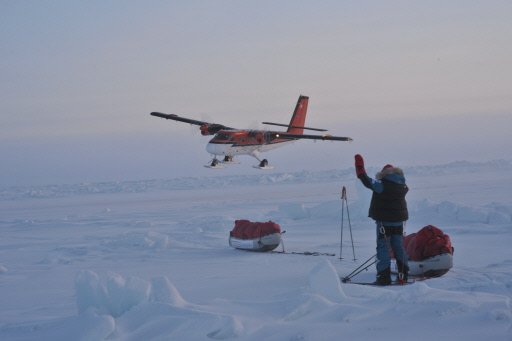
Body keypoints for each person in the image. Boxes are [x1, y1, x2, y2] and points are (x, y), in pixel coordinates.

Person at [354, 154, 409, 285]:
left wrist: (359, 167)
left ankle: (384, 277)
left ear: (385, 173)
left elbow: (366, 180)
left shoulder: (383, 184)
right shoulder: (403, 185)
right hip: (399, 222)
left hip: (385, 222)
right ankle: (403, 276)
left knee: (383, 248)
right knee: (399, 248)